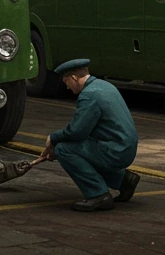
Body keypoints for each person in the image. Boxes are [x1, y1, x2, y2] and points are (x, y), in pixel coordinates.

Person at [39, 59, 140, 211]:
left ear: (74, 77)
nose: (66, 87)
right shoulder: (104, 86)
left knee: (64, 150)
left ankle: (98, 195)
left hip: (116, 151)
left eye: (66, 82)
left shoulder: (89, 95)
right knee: (82, 151)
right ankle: (123, 180)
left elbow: (77, 132)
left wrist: (53, 139)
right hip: (125, 147)